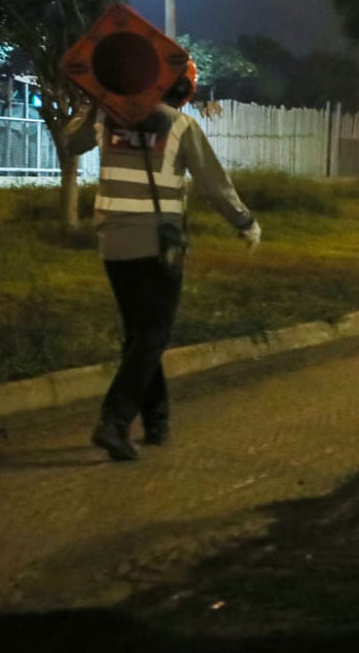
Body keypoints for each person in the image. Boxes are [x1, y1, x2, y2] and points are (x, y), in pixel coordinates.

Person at [65, 64, 260, 461]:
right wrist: (245, 222)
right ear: (183, 88)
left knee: (140, 334)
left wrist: (94, 102)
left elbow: (69, 142)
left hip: (112, 243)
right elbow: (214, 184)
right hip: (157, 245)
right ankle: (114, 421)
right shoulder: (180, 126)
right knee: (153, 334)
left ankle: (156, 421)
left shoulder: (105, 116)